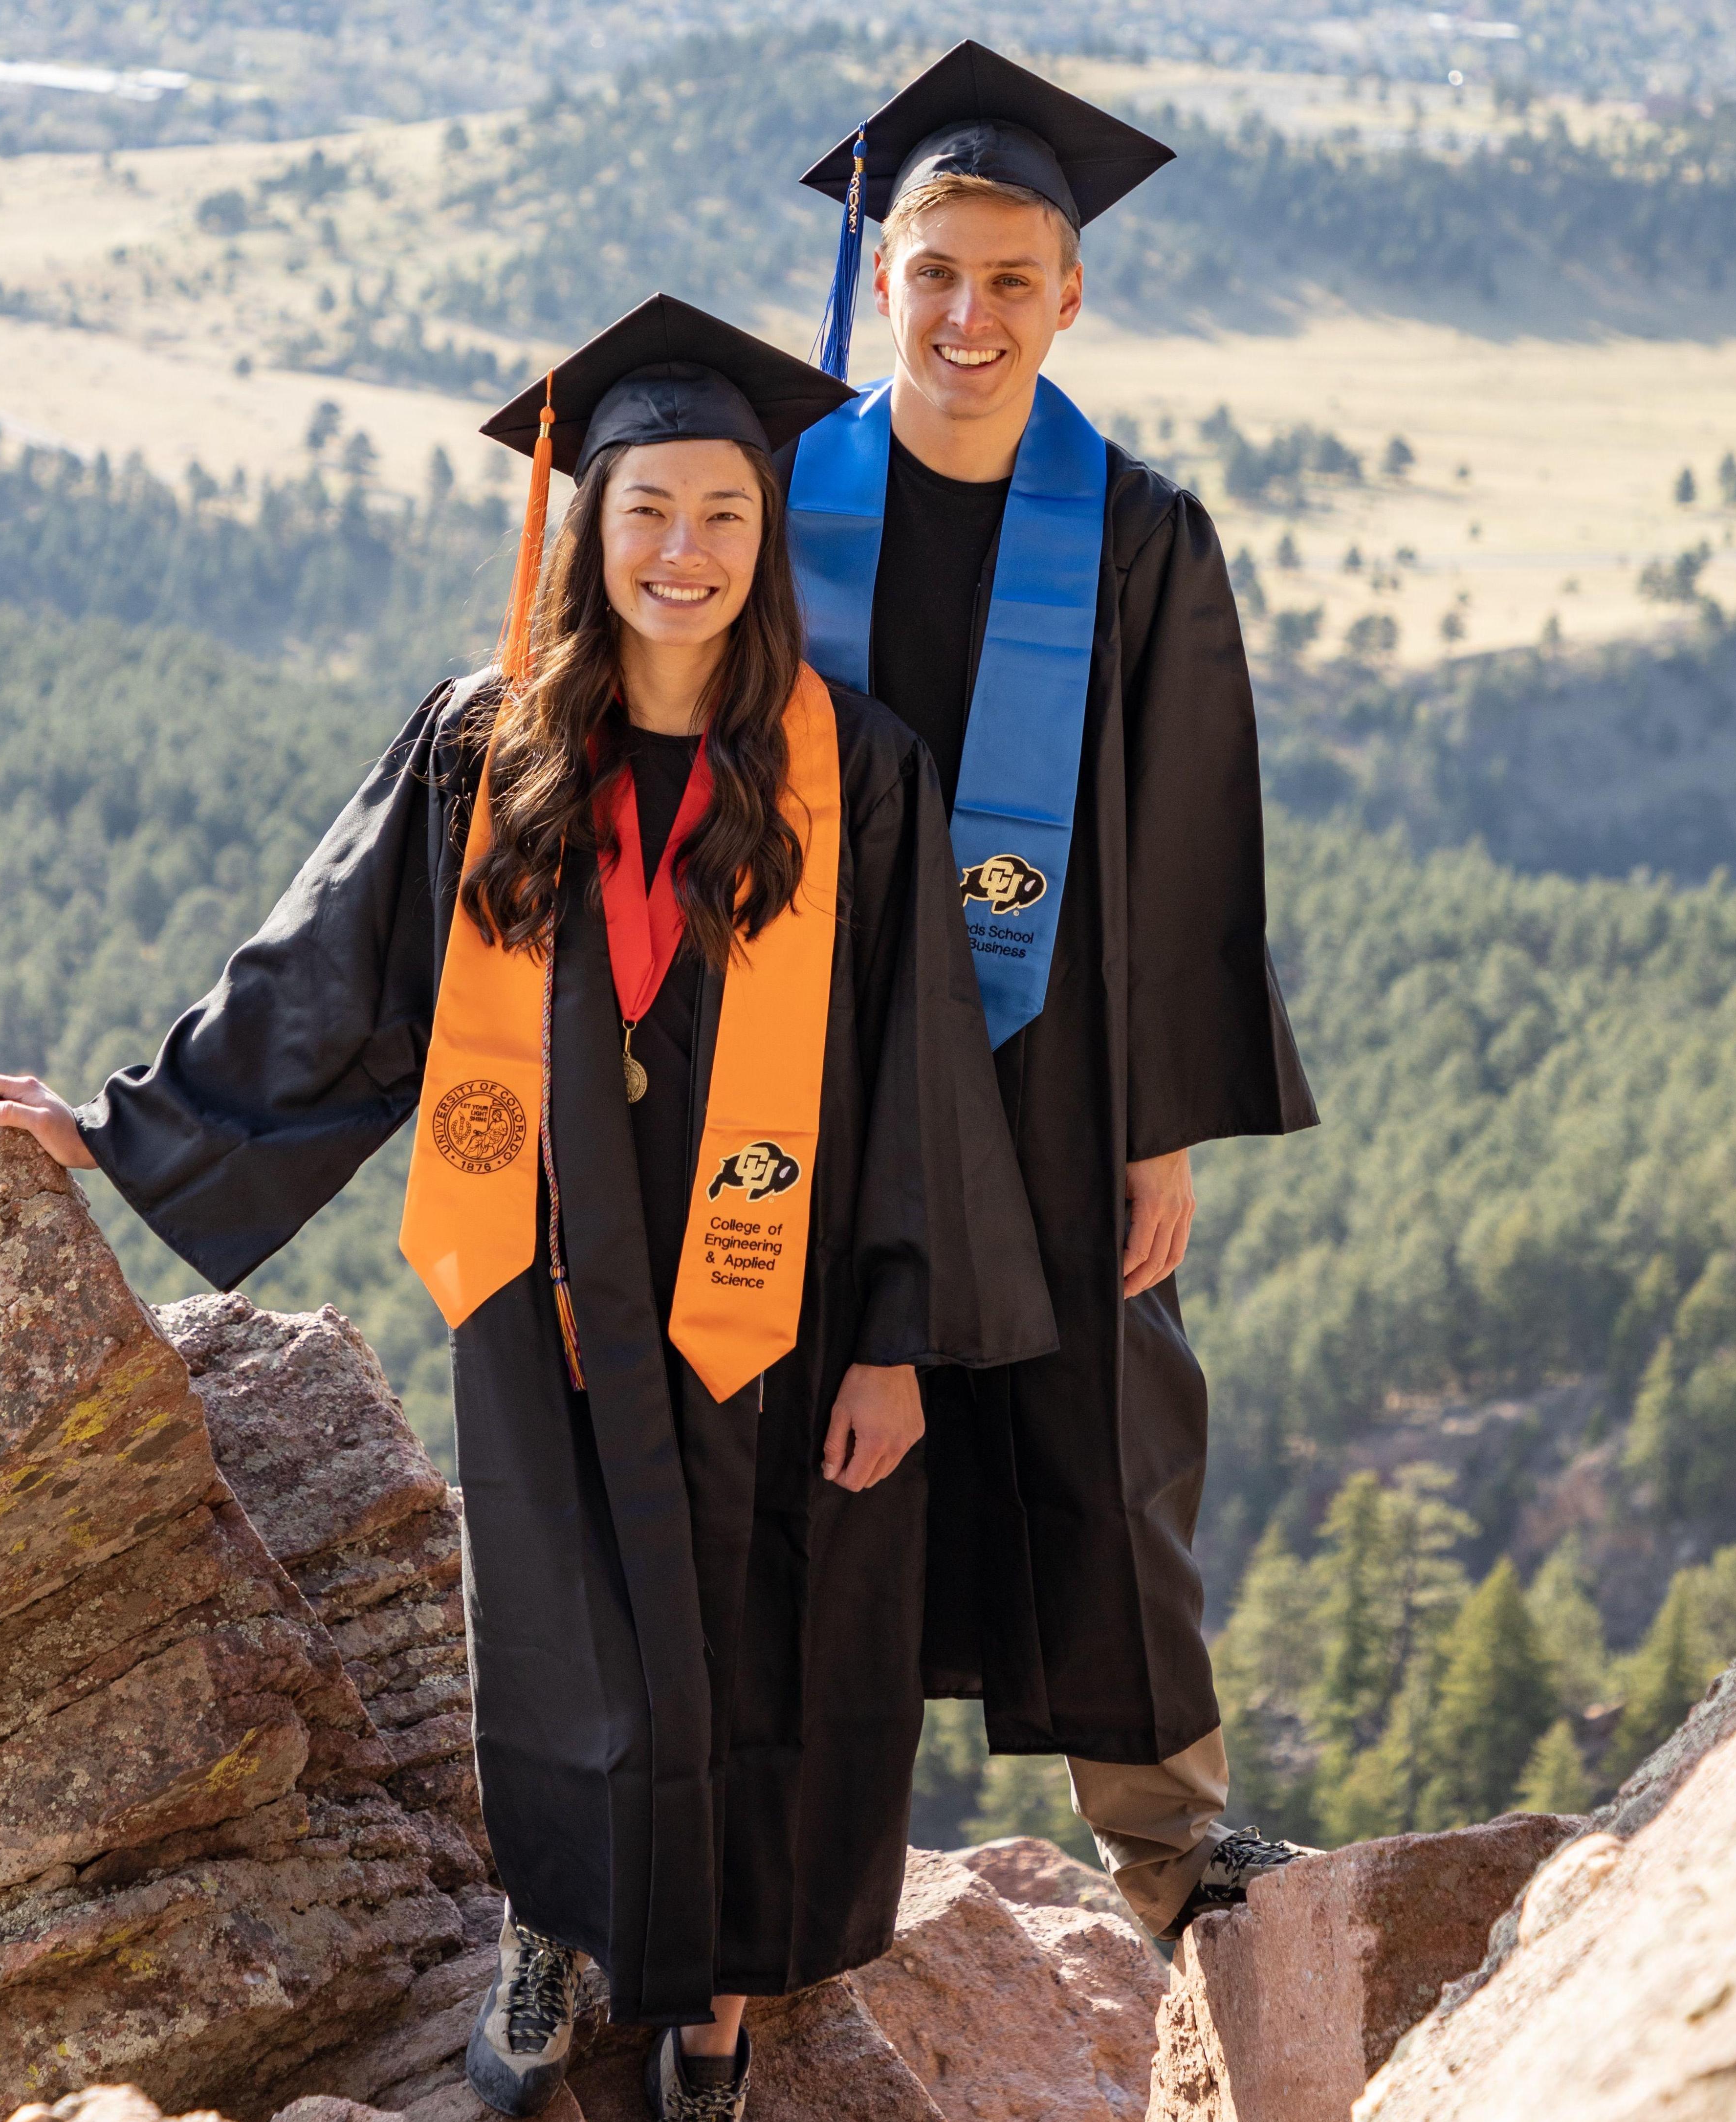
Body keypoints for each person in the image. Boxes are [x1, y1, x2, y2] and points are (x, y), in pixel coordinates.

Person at [0, 293, 1051, 2122]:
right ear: (586, 528)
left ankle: (711, 2023)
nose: (682, 555)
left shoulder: (851, 770)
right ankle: (550, 1935)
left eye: (720, 513)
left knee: (765, 1634)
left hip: (774, 1300)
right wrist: (122, 1129)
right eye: (645, 514)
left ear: (767, 534)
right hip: (544, 1272)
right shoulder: (487, 748)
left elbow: (917, 1064)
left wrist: (893, 1333)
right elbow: (327, 977)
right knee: (558, 1623)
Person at [781, 43, 1321, 1942]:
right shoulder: (778, 506)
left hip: (1063, 1049)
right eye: (936, 273)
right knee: (819, 1433)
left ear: (1072, 295)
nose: (970, 314)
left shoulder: (1145, 532)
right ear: (881, 282)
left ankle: (1172, 1840)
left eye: (1014, 280)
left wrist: (1164, 1122)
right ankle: (795, 1865)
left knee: (1109, 1425)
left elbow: (1189, 842)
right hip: (824, 1063)